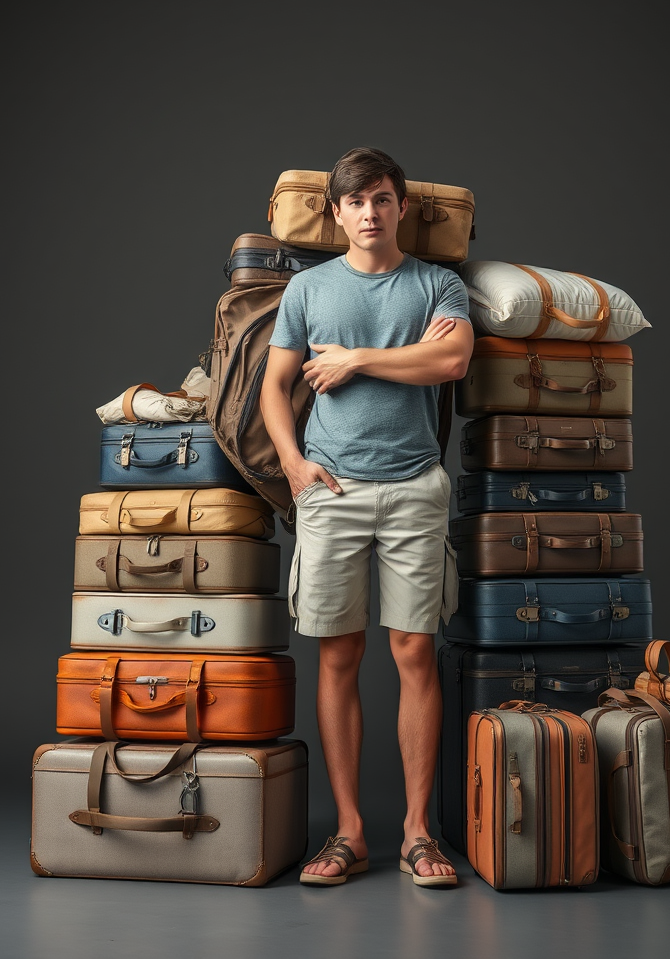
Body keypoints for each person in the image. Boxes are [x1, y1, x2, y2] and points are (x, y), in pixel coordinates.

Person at [259, 146, 474, 888]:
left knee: (415, 654)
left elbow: (452, 364)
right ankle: (348, 831)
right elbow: (275, 386)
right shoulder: (309, 289)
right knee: (338, 656)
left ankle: (418, 833)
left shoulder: (437, 283)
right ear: (337, 212)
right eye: (357, 202)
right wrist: (293, 464)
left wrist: (354, 360)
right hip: (332, 491)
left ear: (402, 207)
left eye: (383, 199)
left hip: (415, 487)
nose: (371, 213)